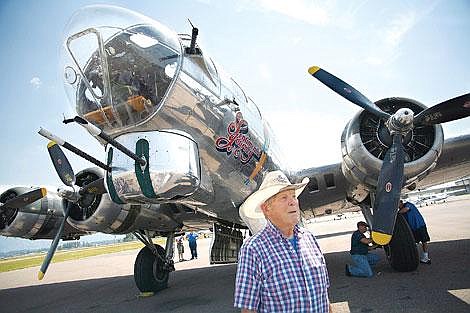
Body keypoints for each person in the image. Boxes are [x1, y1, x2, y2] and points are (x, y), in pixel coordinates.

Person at [234, 170, 331, 313]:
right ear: (266, 208)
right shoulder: (253, 249)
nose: (293, 202)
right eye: (284, 198)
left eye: (293, 196)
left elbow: (323, 295)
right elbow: (249, 309)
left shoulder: (309, 238)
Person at [398, 200, 431, 264]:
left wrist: (396, 213)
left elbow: (406, 209)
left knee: (424, 241)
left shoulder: (408, 204)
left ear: (401, 202)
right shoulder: (401, 213)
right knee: (412, 243)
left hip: (420, 225)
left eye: (398, 204)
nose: (398, 206)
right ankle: (414, 257)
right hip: (413, 229)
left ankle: (425, 257)